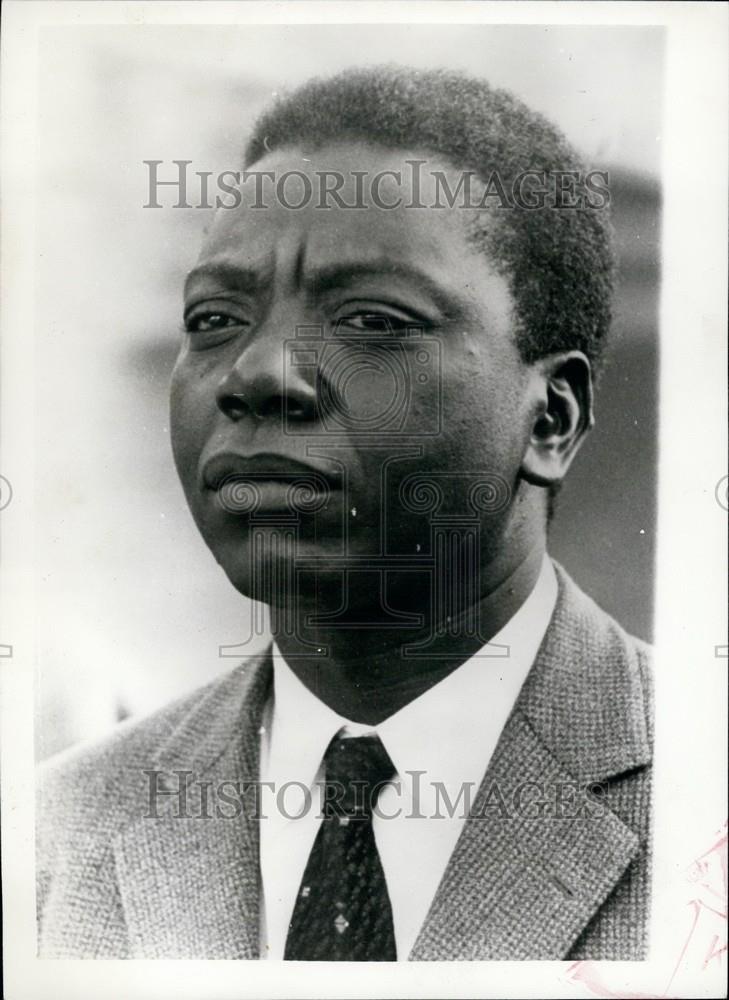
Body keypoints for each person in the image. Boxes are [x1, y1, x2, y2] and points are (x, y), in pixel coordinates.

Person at [37, 65, 653, 961]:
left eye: (370, 320)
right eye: (213, 318)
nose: (255, 374)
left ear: (551, 418)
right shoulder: (57, 833)